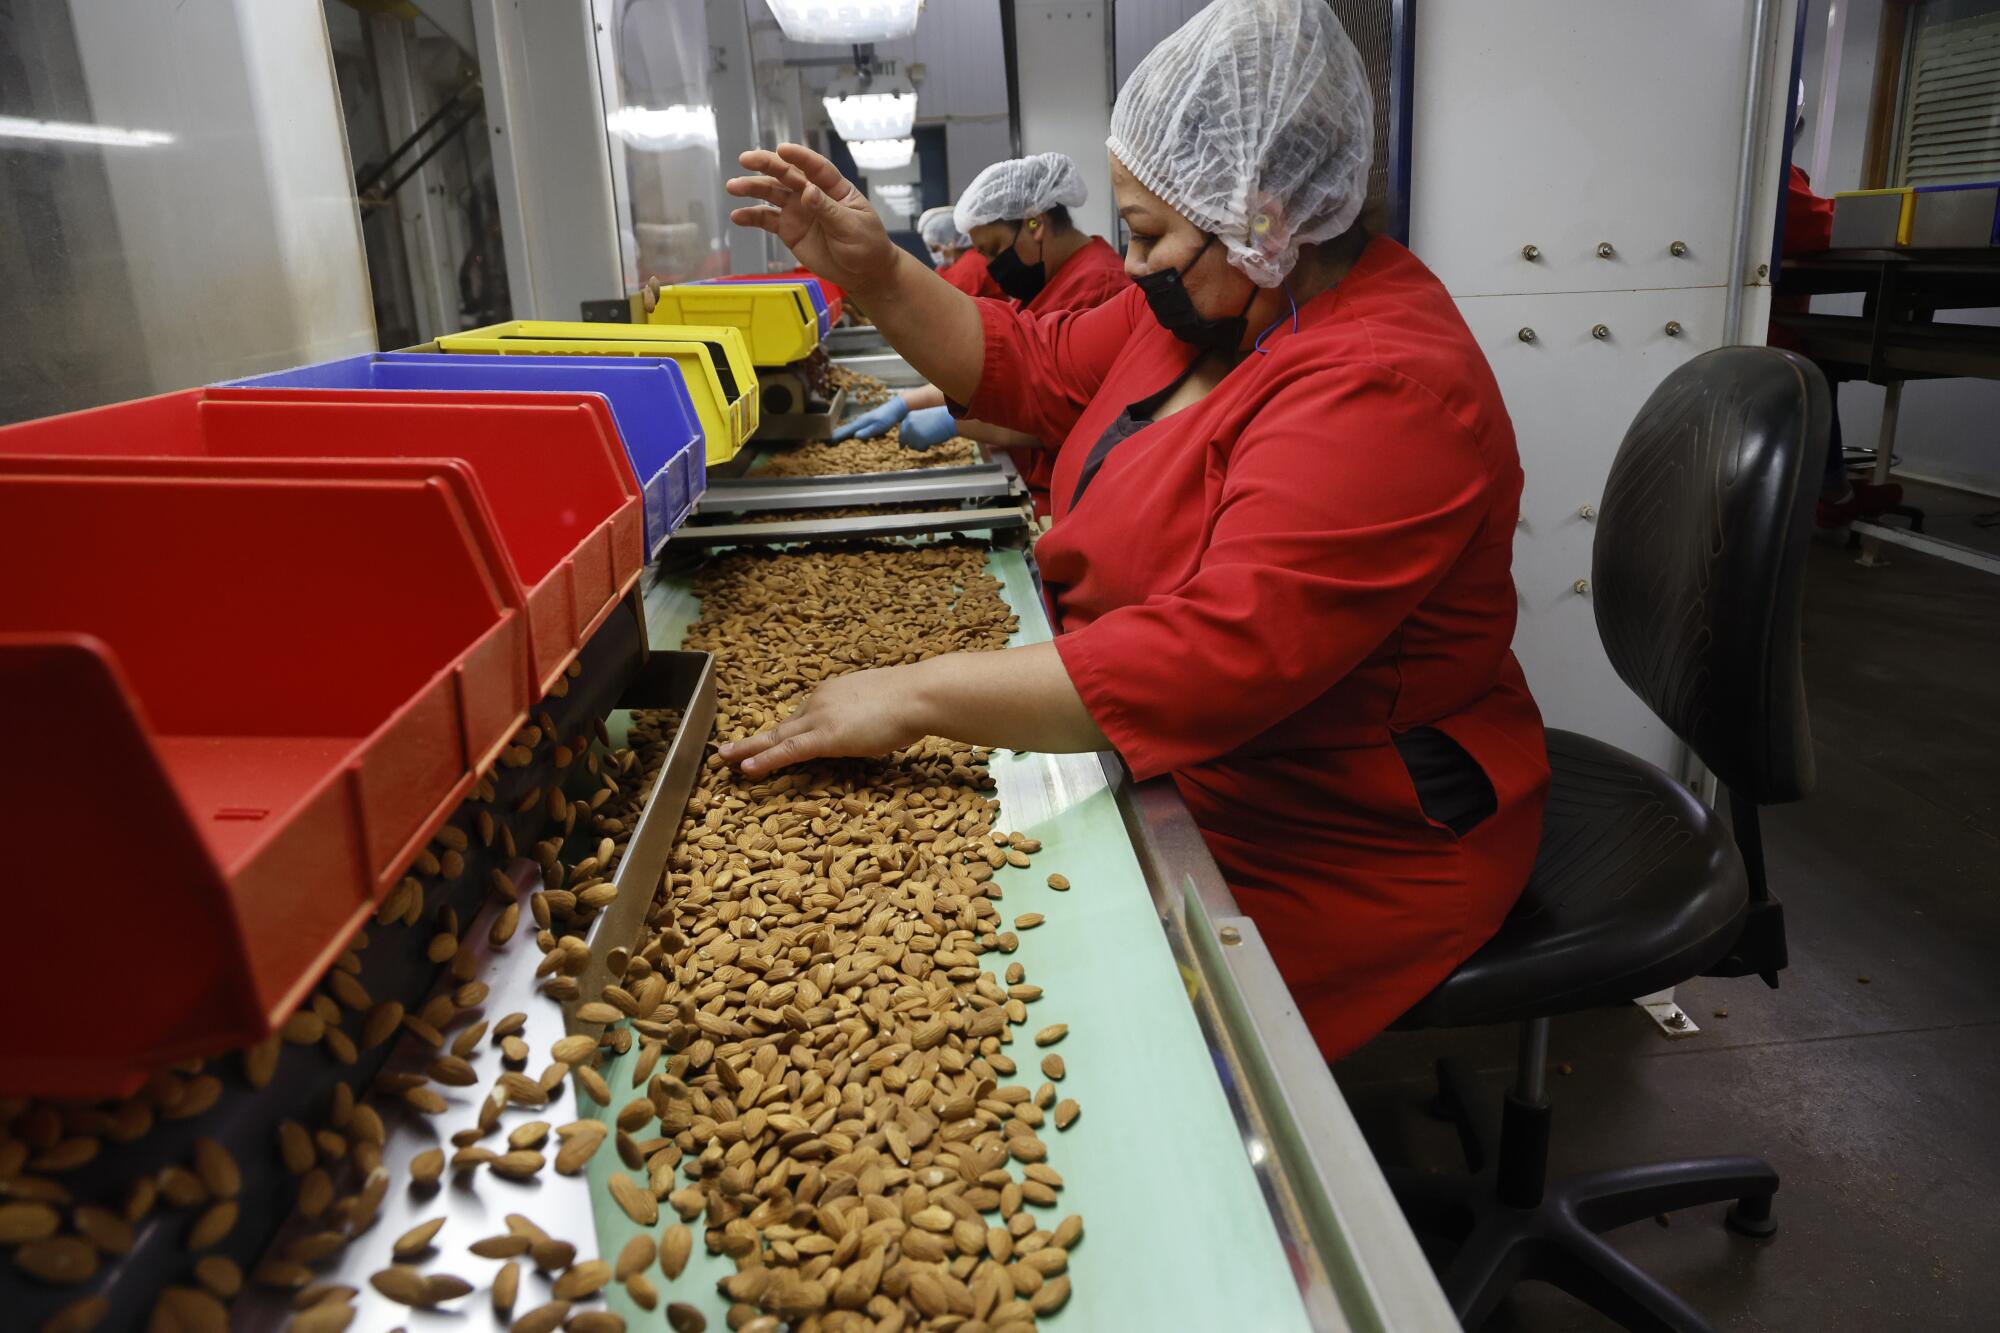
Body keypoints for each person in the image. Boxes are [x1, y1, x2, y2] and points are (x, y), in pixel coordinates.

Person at [722, 0, 1548, 1060]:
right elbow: (1026, 364)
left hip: (1336, 824)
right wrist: (874, 270)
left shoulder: (1383, 386)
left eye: (1151, 233)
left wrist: (917, 693)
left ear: (1264, 216)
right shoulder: (1211, 303)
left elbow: (1213, 658)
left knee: (1081, 1022)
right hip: (1179, 762)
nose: (1135, 263)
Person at [836, 153, 1130, 514]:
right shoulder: (1048, 283)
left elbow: (1071, 413)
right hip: (1039, 480)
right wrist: (907, 403)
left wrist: (954, 422)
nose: (991, 267)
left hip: (1077, 495)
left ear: (1035, 223)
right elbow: (1000, 367)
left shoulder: (1101, 285)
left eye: (993, 250)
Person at [1771, 87, 1903, 529]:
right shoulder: (1770, 167)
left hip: (1762, 320)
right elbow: (1811, 225)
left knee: (1814, 367)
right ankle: (1831, 492)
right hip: (1764, 330)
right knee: (1812, 374)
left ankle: (1828, 485)